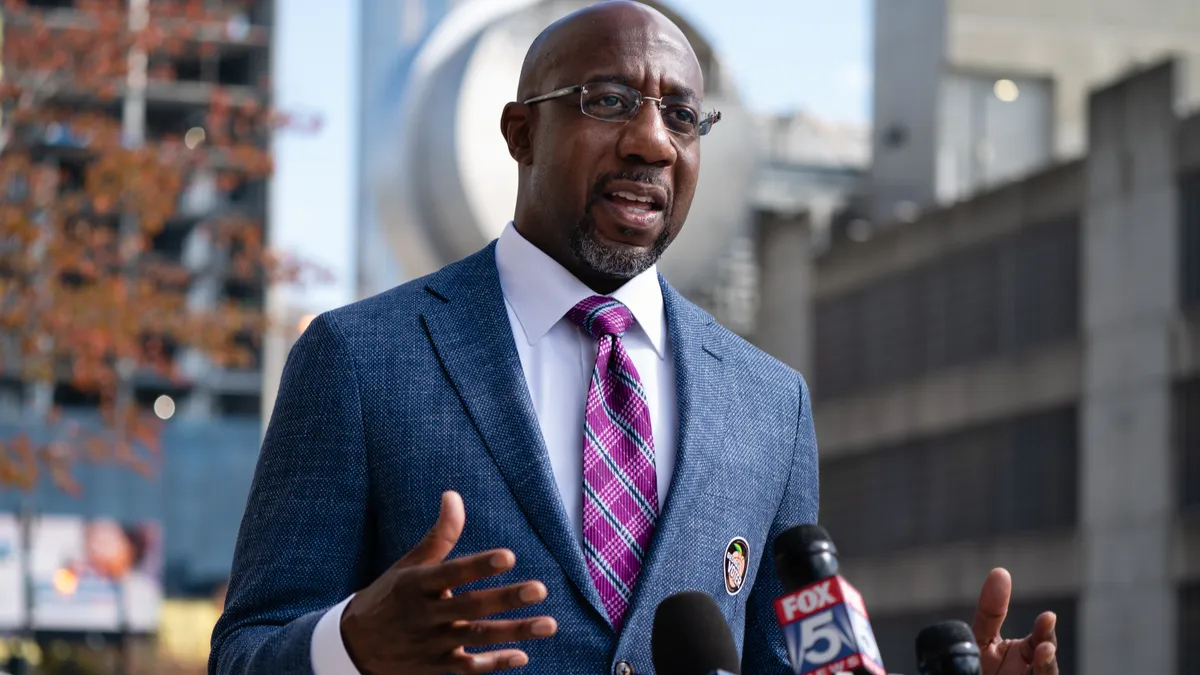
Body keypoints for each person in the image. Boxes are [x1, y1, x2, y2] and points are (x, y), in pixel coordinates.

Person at [208, 2, 1059, 674]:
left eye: (682, 116)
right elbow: (245, 651)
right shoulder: (359, 359)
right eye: (609, 101)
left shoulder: (770, 402)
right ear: (520, 132)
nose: (652, 140)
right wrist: (350, 645)